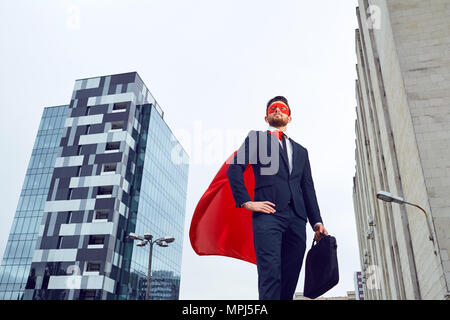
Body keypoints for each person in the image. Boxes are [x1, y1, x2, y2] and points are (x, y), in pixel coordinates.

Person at [226, 96, 328, 300]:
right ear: (266, 117)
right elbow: (234, 168)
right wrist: (246, 202)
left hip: (297, 219)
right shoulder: (257, 139)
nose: (278, 111)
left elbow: (307, 188)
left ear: (289, 118)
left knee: (290, 278)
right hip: (268, 216)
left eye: (282, 109)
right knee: (270, 274)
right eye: (273, 109)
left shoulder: (301, 151)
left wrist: (316, 221)